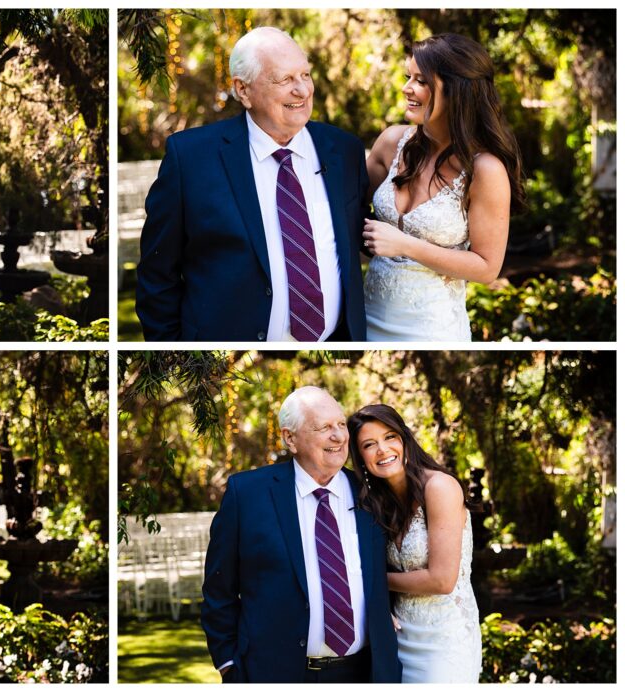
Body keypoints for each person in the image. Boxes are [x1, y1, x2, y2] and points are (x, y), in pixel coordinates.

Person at [136, 27, 369, 342]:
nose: (302, 90)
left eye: (305, 75)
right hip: (225, 358)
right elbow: (157, 273)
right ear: (243, 90)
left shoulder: (345, 150)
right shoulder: (190, 159)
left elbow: (359, 238)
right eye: (284, 80)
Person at [201, 387, 400, 682]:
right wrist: (229, 665)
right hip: (274, 674)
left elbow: (391, 564)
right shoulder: (247, 494)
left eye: (342, 424)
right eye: (324, 428)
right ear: (290, 438)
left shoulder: (373, 492)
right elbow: (219, 591)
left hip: (367, 673)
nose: (340, 437)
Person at [362, 33, 525, 341]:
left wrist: (406, 245)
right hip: (366, 321)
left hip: (430, 332)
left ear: (457, 90)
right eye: (408, 76)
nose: (406, 88)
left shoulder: (485, 170)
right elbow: (349, 211)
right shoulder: (391, 142)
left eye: (421, 81)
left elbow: (487, 267)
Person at [347, 404, 481, 682]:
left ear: (405, 439)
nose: (382, 450)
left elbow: (442, 580)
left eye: (390, 437)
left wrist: (373, 582)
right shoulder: (377, 503)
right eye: (369, 444)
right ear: (360, 458)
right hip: (398, 636)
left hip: (443, 641)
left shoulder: (439, 487)